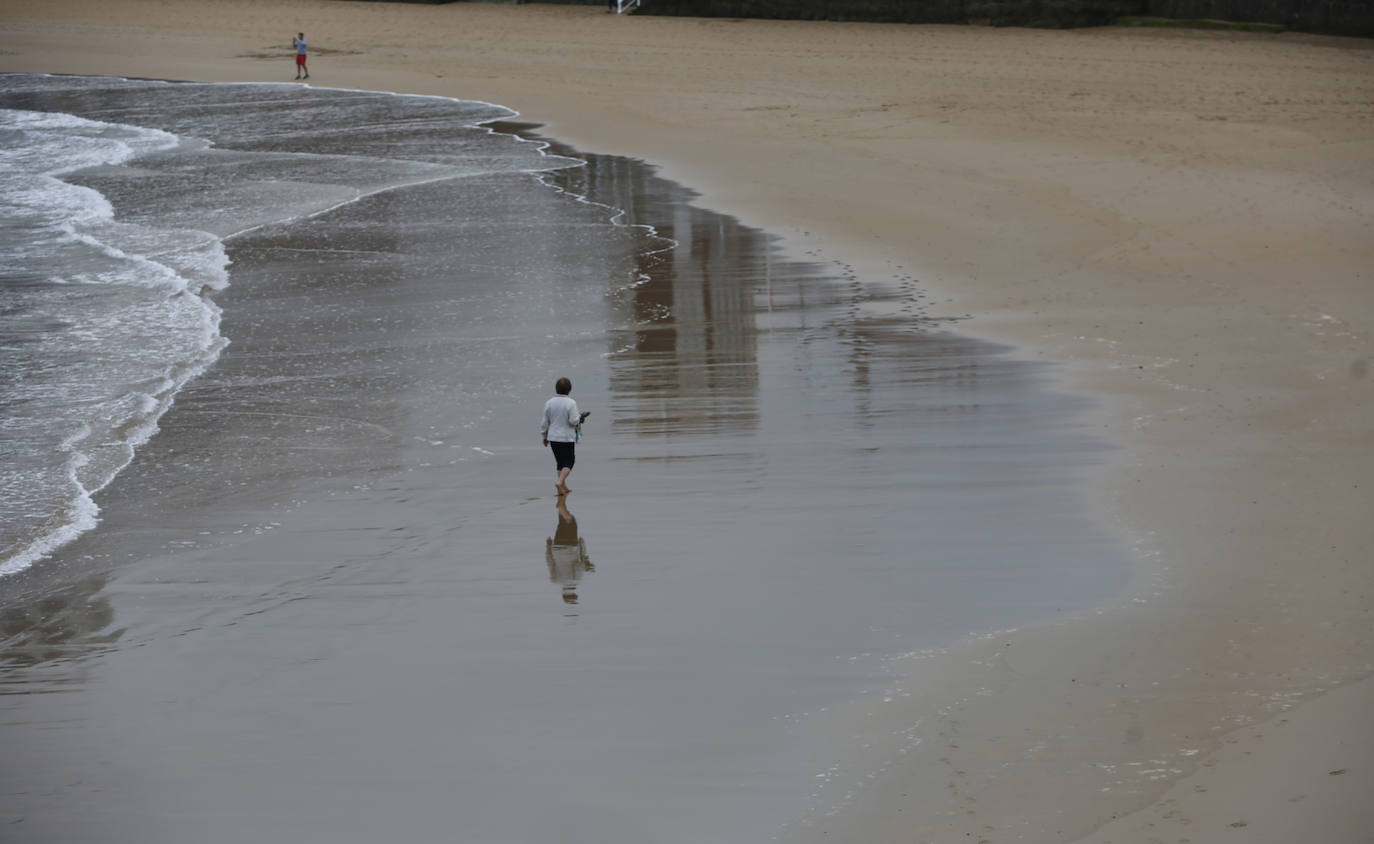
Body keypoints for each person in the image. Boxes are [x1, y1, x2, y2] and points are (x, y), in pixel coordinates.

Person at [540, 376, 590, 496]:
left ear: (556, 389)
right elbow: (573, 421)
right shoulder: (571, 403)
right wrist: (580, 417)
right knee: (569, 461)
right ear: (569, 390)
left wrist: (544, 436)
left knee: (560, 462)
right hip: (566, 438)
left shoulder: (549, 402)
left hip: (553, 437)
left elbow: (544, 422)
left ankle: (562, 486)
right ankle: (560, 482)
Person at [546, 497, 593, 605]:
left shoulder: (576, 579)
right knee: (562, 523)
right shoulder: (555, 580)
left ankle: (561, 503)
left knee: (571, 520)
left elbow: (578, 566)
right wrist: (548, 547)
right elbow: (550, 562)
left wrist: (586, 565)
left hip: (570, 546)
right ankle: (561, 498)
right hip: (556, 547)